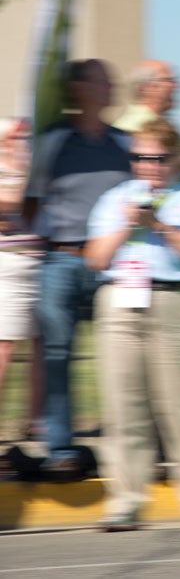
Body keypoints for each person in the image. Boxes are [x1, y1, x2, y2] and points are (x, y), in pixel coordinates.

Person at [85, 118, 180, 530]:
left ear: (176, 157)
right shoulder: (116, 198)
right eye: (140, 158)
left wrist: (160, 226)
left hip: (177, 300)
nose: (149, 166)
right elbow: (95, 257)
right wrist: (129, 224)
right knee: (122, 407)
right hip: (120, 301)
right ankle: (125, 502)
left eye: (159, 158)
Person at [24, 59, 132, 477]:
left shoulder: (123, 143)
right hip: (61, 260)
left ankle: (127, 448)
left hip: (112, 267)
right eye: (104, 81)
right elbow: (32, 197)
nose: (112, 87)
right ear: (80, 89)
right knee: (57, 355)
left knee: (121, 359)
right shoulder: (54, 142)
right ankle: (61, 448)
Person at [0, 118, 44, 436]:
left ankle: (35, 423)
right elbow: (14, 200)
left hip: (38, 260)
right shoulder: (9, 167)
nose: (20, 140)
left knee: (42, 347)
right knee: (4, 347)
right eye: (15, 136)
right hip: (9, 264)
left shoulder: (31, 163)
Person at [113, 60, 180, 134]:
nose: (176, 85)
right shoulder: (136, 128)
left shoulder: (154, 123)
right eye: (169, 80)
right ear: (146, 86)